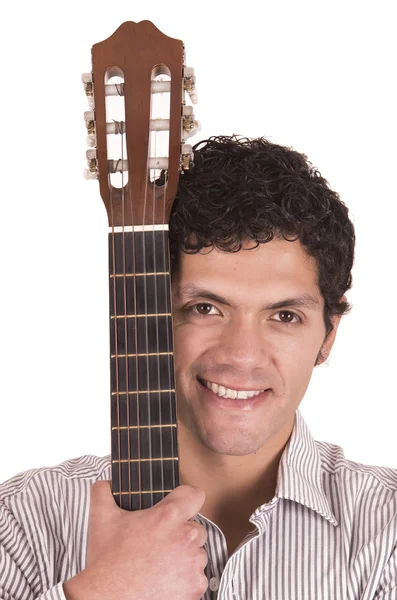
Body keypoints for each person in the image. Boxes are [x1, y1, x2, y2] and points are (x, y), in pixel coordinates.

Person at [1, 135, 396, 600]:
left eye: (284, 316)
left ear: (328, 336)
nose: (242, 355)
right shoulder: (24, 522)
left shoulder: (386, 535)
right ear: (151, 315)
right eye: (207, 308)